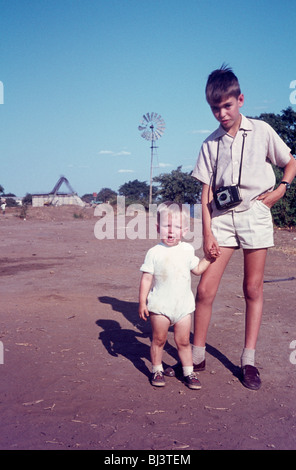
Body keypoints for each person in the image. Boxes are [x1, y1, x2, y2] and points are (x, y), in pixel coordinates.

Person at [190, 65, 296, 390]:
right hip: (221, 219)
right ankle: (196, 354)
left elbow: (290, 160)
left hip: (255, 214)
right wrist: (207, 232)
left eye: (227, 105)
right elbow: (206, 191)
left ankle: (248, 359)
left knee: (253, 289)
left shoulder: (262, 131)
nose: (221, 113)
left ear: (240, 99)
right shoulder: (210, 144)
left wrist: (281, 190)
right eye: (215, 108)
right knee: (205, 289)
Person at [139, 201, 212, 389]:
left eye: (177, 227)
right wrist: (142, 302)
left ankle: (189, 372)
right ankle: (157, 369)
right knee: (159, 339)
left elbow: (197, 269)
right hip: (160, 306)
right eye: (166, 226)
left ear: (185, 230)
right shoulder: (154, 252)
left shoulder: (187, 250)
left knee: (183, 341)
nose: (171, 231)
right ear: (157, 228)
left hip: (183, 307)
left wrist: (209, 259)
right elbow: (147, 279)